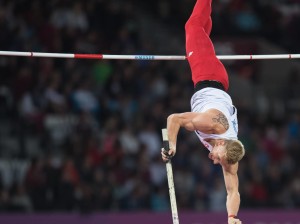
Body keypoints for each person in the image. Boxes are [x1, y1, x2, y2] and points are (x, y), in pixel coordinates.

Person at [161, 0, 245, 223]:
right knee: (192, 27)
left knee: (202, 31)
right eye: (219, 159)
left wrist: (232, 216)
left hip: (214, 81)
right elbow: (174, 119)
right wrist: (172, 146)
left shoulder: (230, 156)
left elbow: (233, 192)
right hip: (207, 74)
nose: (216, 162)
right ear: (220, 143)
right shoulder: (212, 123)